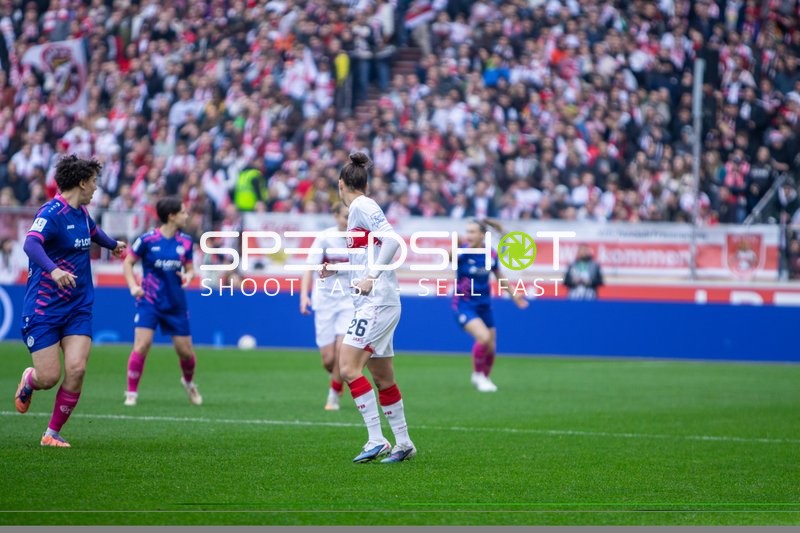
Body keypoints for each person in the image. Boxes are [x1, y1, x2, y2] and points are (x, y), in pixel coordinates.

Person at [14, 155, 126, 447]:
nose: (96, 188)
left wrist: (113, 245)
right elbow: (30, 243)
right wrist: (54, 270)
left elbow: (92, 231)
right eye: (94, 182)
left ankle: (51, 433)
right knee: (49, 377)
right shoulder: (52, 212)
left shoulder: (81, 212)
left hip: (78, 306)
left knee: (76, 369)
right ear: (81, 182)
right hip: (44, 308)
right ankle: (30, 379)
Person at [322, 151, 416, 463]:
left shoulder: (362, 205)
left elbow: (392, 241)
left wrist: (373, 277)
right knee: (383, 378)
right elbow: (364, 258)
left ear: (340, 184)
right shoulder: (359, 212)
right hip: (379, 301)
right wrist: (338, 268)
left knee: (348, 367)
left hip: (376, 303)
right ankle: (403, 443)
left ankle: (376, 439)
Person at [122, 197, 202, 406]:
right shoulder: (147, 240)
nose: (186, 215)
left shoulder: (186, 242)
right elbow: (128, 262)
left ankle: (189, 382)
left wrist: (189, 275)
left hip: (175, 303)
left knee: (185, 352)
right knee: (142, 345)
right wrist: (133, 286)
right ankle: (131, 393)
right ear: (172, 216)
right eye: (183, 212)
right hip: (149, 301)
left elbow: (191, 268)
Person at [452, 219, 529, 393]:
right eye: (467, 231)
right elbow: (449, 255)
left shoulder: (490, 254)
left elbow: (499, 276)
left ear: (482, 235)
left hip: (484, 305)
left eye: (472, 232)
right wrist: (454, 246)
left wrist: (514, 295)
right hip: (464, 304)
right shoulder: (462, 253)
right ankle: (478, 375)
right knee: (484, 338)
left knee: (492, 345)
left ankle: (485, 377)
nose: (468, 235)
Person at [299, 203, 355, 411]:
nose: (349, 221)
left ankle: (333, 394)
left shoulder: (359, 240)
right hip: (324, 300)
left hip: (349, 301)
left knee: (342, 350)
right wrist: (304, 296)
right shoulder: (324, 238)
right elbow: (309, 269)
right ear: (336, 217)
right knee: (328, 359)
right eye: (346, 217)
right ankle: (338, 377)